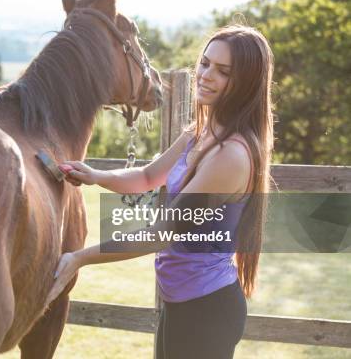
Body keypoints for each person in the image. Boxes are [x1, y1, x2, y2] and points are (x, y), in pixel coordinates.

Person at [46, 25, 274, 359]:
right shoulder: (200, 132)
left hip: (206, 309)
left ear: (246, 84)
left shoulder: (231, 155)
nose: (206, 75)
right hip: (181, 300)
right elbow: (148, 175)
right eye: (205, 63)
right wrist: (96, 175)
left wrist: (79, 257)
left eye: (223, 72)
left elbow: (161, 234)